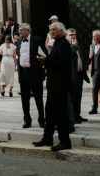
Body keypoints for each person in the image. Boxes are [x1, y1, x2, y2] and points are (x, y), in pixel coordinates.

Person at [33, 21, 73, 151]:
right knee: (49, 113)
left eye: (54, 29)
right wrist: (47, 60)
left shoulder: (65, 45)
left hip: (60, 85)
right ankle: (47, 138)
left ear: (62, 31)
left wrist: (45, 60)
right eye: (50, 30)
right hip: (53, 85)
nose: (51, 32)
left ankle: (65, 141)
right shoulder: (57, 43)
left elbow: (61, 64)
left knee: (61, 114)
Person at [17, 23, 45, 128]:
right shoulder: (19, 42)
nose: (19, 32)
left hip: (35, 73)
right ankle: (27, 120)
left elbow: (43, 54)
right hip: (23, 73)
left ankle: (42, 119)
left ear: (28, 31)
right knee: (24, 98)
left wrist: (42, 67)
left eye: (22, 30)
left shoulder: (37, 40)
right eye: (19, 30)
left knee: (38, 97)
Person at [66, 28, 89, 123]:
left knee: (78, 96)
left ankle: (77, 114)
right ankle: (73, 117)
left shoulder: (76, 45)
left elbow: (80, 58)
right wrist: (74, 47)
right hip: (72, 76)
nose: (73, 36)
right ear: (66, 36)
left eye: (74, 34)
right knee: (72, 97)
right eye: (71, 35)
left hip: (79, 74)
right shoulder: (66, 45)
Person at [88, 29, 100, 116]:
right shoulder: (92, 45)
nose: (93, 38)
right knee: (94, 89)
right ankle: (94, 107)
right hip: (95, 71)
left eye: (94, 36)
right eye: (93, 36)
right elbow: (90, 57)